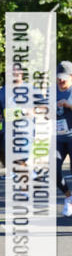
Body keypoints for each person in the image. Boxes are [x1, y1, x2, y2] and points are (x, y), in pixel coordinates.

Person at [55, 60, 72, 217]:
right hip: (58, 138)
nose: (60, 81)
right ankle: (69, 197)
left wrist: (68, 105)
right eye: (58, 77)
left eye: (64, 78)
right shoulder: (53, 91)